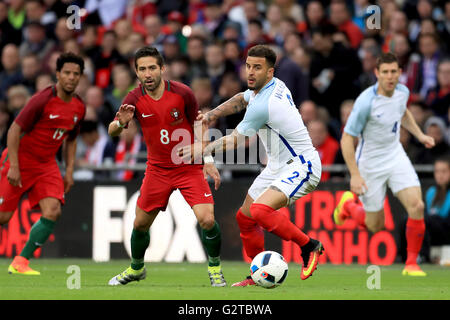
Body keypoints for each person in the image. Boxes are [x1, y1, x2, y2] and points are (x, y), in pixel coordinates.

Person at [180, 45, 324, 287]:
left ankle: (309, 246)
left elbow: (236, 139)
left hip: (302, 165)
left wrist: (203, 149)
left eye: (257, 67)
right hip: (277, 166)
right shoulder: (268, 87)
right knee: (245, 218)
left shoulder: (264, 104)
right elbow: (239, 99)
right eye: (248, 66)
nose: (250, 72)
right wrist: (211, 115)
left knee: (259, 211)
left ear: (269, 72)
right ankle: (257, 275)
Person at [107, 46, 226, 287]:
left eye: (152, 68)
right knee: (140, 224)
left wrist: (208, 160)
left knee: (207, 219)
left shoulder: (182, 93)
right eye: (142, 69)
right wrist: (120, 124)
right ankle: (136, 268)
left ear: (162, 69)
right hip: (157, 170)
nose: (148, 73)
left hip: (188, 168)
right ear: (137, 72)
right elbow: (112, 130)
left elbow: (199, 123)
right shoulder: (133, 99)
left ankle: (215, 268)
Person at [333, 52, 436, 276]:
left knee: (417, 206)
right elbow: (347, 139)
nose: (390, 77)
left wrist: (419, 135)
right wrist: (355, 174)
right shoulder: (365, 103)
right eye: (386, 72)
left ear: (399, 73)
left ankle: (411, 264)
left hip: (395, 155)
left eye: (394, 72)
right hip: (370, 162)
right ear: (377, 73)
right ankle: (349, 206)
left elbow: (403, 112)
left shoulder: (403, 91)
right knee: (375, 226)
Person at [0, 52, 86, 275]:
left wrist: (68, 171)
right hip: (20, 159)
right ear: (57, 74)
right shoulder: (43, 99)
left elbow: (72, 139)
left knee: (53, 210)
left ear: (80, 78)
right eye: (66, 73)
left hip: (46, 165)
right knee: (3, 217)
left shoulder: (79, 107)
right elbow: (14, 130)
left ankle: (21, 262)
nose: (71, 77)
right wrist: (16, 167)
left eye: (76, 74)